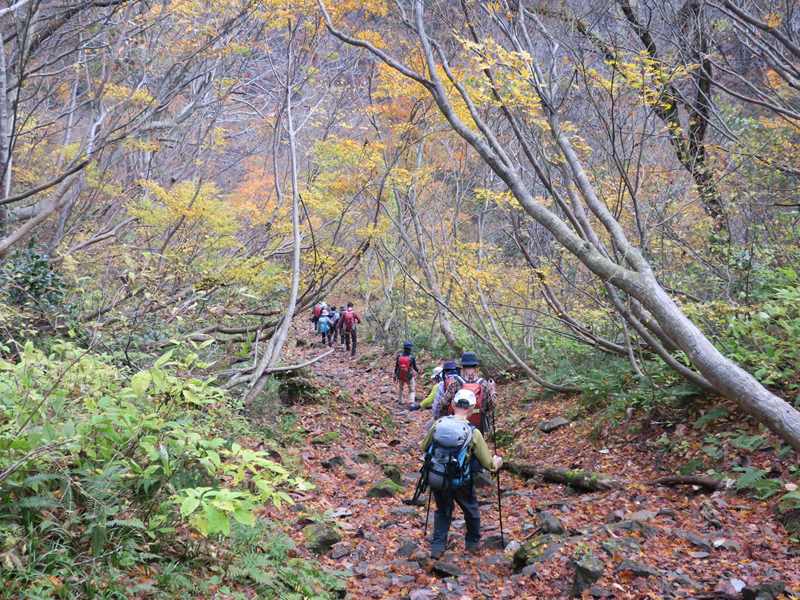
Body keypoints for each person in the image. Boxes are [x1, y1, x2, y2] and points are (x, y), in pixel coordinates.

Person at [421, 389, 503, 559]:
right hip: (461, 480)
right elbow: (489, 465)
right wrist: (498, 462)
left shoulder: (438, 423)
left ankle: (437, 547)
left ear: (452, 405)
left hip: (438, 476)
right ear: (472, 408)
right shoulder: (473, 432)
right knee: (471, 509)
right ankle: (472, 545)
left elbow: (424, 447)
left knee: (443, 510)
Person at [439, 352, 495, 435]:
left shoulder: (455, 383)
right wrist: (493, 390)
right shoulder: (484, 384)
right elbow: (491, 406)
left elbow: (443, 403)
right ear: (476, 368)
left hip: (457, 425)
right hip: (478, 426)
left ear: (462, 368)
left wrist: (443, 417)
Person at [394, 340, 420, 409]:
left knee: (401, 388)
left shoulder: (399, 356)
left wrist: (395, 375)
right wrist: (418, 371)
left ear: (404, 348)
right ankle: (411, 402)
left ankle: (400, 401)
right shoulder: (411, 357)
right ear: (410, 348)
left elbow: (396, 366)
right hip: (409, 376)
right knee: (412, 389)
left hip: (400, 375)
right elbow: (415, 367)